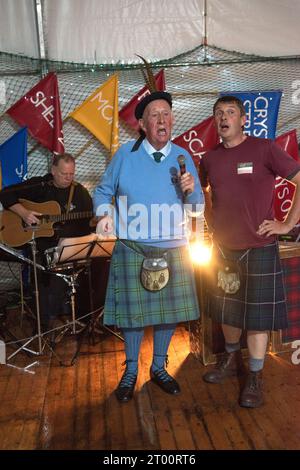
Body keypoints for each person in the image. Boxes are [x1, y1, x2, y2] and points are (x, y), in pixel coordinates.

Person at [93, 90, 204, 402]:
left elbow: (197, 209)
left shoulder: (183, 157)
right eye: (154, 115)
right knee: (133, 317)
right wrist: (103, 215)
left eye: (167, 113)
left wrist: (192, 191)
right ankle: (130, 371)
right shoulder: (124, 155)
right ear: (142, 123)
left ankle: (159, 367)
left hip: (174, 247)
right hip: (133, 247)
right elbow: (103, 191)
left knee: (169, 314)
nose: (162, 119)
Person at [199, 95, 300, 408]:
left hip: (258, 248)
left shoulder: (264, 148)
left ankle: (255, 375)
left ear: (243, 119)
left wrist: (287, 224)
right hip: (222, 249)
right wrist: (210, 223)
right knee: (228, 312)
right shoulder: (209, 159)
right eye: (219, 113)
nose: (224, 117)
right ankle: (230, 361)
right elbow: (202, 193)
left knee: (256, 318)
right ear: (215, 121)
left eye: (230, 112)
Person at [0, 153, 93, 330]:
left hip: (68, 248)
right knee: (42, 276)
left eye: (71, 174)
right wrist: (24, 213)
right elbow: (5, 194)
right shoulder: (40, 185)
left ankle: (76, 317)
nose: (68, 178)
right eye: (64, 174)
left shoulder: (79, 192)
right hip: (41, 247)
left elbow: (88, 222)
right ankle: (43, 323)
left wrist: (97, 221)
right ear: (53, 171)